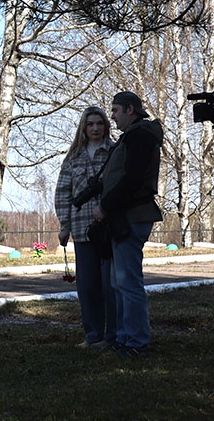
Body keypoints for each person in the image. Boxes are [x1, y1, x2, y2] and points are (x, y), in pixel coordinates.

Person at [93, 91, 163, 358]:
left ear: (130, 110)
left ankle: (135, 342)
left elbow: (132, 180)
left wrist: (106, 206)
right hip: (127, 216)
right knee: (120, 282)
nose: (112, 116)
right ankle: (125, 339)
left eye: (115, 110)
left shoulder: (140, 136)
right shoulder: (134, 136)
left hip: (131, 216)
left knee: (128, 282)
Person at [54, 106, 116, 349]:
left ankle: (113, 337)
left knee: (110, 286)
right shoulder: (74, 158)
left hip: (109, 230)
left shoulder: (113, 152)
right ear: (83, 128)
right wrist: (64, 225)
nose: (95, 128)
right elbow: (63, 193)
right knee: (88, 287)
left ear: (106, 126)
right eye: (90, 124)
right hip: (81, 231)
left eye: (99, 123)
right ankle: (92, 335)